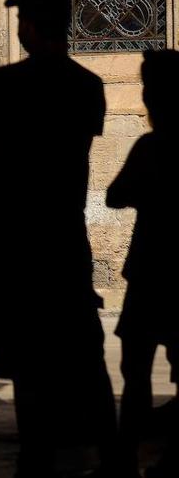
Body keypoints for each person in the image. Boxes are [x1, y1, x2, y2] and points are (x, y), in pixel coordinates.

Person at [0, 0, 121, 477]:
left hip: (19, 242)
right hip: (64, 236)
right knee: (86, 358)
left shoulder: (3, 86)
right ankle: (112, 457)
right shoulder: (88, 86)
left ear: (32, 25)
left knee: (29, 365)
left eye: (21, 20)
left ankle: (34, 458)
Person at [108, 49, 179, 478]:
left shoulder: (152, 147)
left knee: (136, 371)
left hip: (151, 271)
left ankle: (123, 462)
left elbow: (115, 195)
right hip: (175, 275)